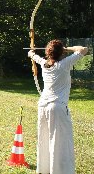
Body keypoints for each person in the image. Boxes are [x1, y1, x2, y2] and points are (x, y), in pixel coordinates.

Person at [28, 40, 88, 174]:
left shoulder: (44, 64)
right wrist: (67, 49)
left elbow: (32, 55)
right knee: (60, 141)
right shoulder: (64, 64)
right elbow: (84, 49)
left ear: (48, 52)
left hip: (43, 105)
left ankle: (44, 170)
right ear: (61, 53)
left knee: (44, 138)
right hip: (57, 107)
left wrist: (31, 53)